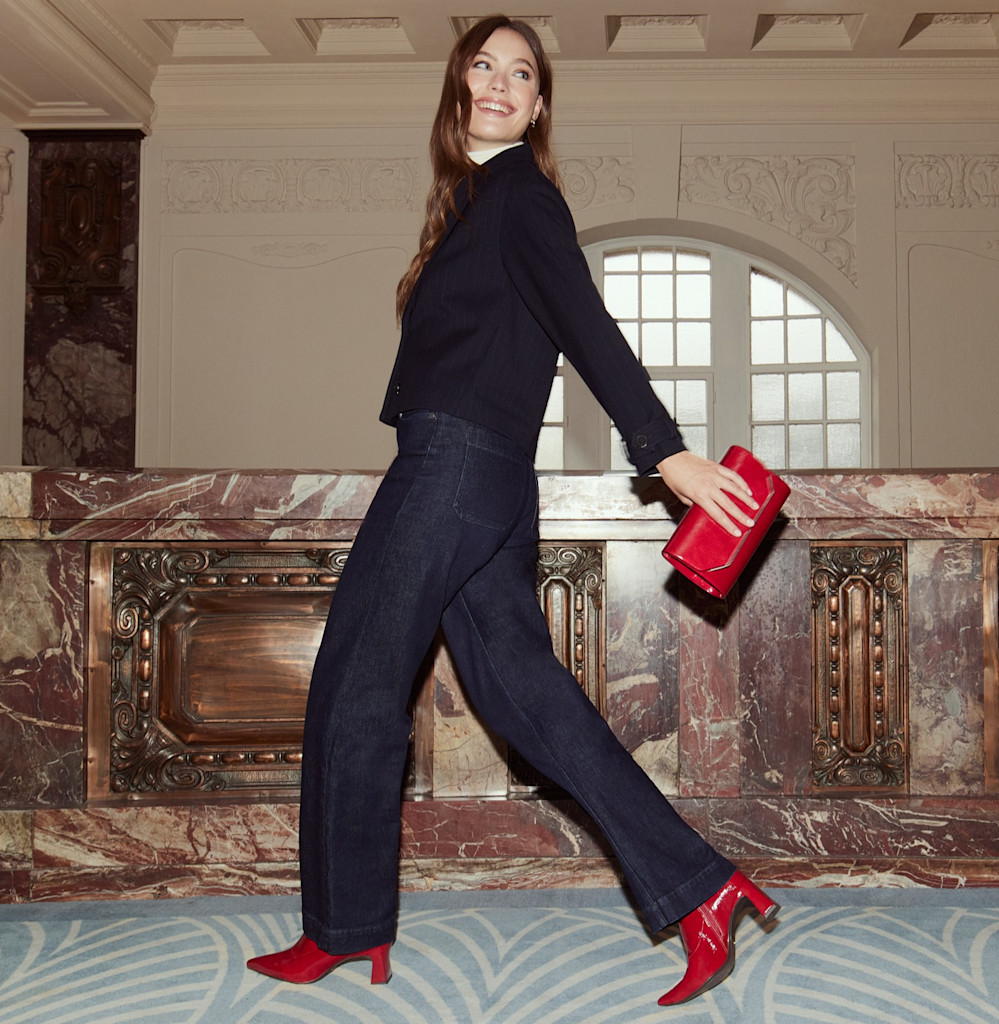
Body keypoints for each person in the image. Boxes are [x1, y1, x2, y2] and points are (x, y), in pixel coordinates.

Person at [246, 14, 778, 1007]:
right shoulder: (477, 205)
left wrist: (663, 451)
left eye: (519, 73)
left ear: (537, 106)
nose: (496, 82)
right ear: (458, 91)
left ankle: (342, 928)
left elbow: (586, 324)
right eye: (480, 66)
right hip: (484, 479)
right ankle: (703, 886)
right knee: (527, 699)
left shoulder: (521, 201)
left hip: (452, 468)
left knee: (354, 684)